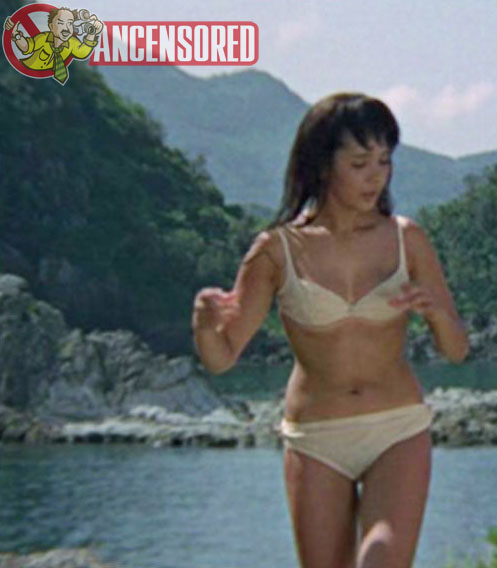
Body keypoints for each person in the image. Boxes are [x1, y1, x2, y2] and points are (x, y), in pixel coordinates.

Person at [192, 93, 469, 568]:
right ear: (322, 165)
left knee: (381, 558)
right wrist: (202, 322)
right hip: (316, 438)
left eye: (384, 161)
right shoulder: (276, 250)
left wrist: (437, 315)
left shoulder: (407, 239)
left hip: (397, 428)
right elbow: (222, 357)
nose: (376, 176)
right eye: (359, 163)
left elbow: (457, 350)